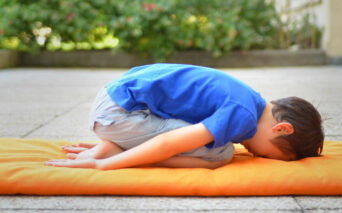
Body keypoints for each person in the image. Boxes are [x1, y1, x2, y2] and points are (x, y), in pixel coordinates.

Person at [45, 63, 324, 170]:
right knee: (221, 154)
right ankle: (112, 151)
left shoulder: (248, 97)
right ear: (281, 129)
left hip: (115, 100)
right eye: (267, 155)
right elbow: (169, 144)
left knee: (215, 143)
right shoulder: (244, 116)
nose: (255, 156)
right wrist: (105, 166)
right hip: (118, 115)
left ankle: (118, 143)